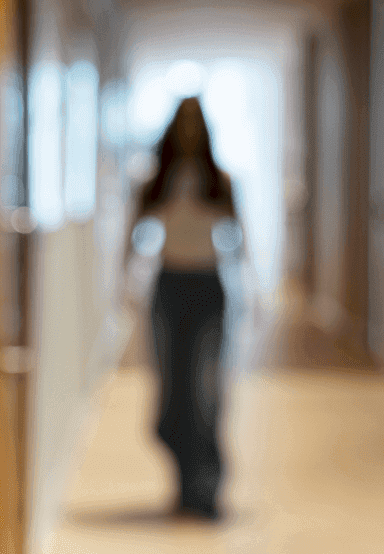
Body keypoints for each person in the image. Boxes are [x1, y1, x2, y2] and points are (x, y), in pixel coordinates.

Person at [124, 96, 241, 520]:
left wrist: (258, 296)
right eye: (183, 123)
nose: (190, 131)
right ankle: (184, 481)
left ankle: (207, 487)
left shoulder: (221, 181)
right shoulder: (155, 182)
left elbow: (241, 241)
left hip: (207, 289)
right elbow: (132, 235)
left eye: (196, 123)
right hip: (169, 289)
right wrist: (125, 287)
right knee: (174, 390)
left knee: (205, 390)